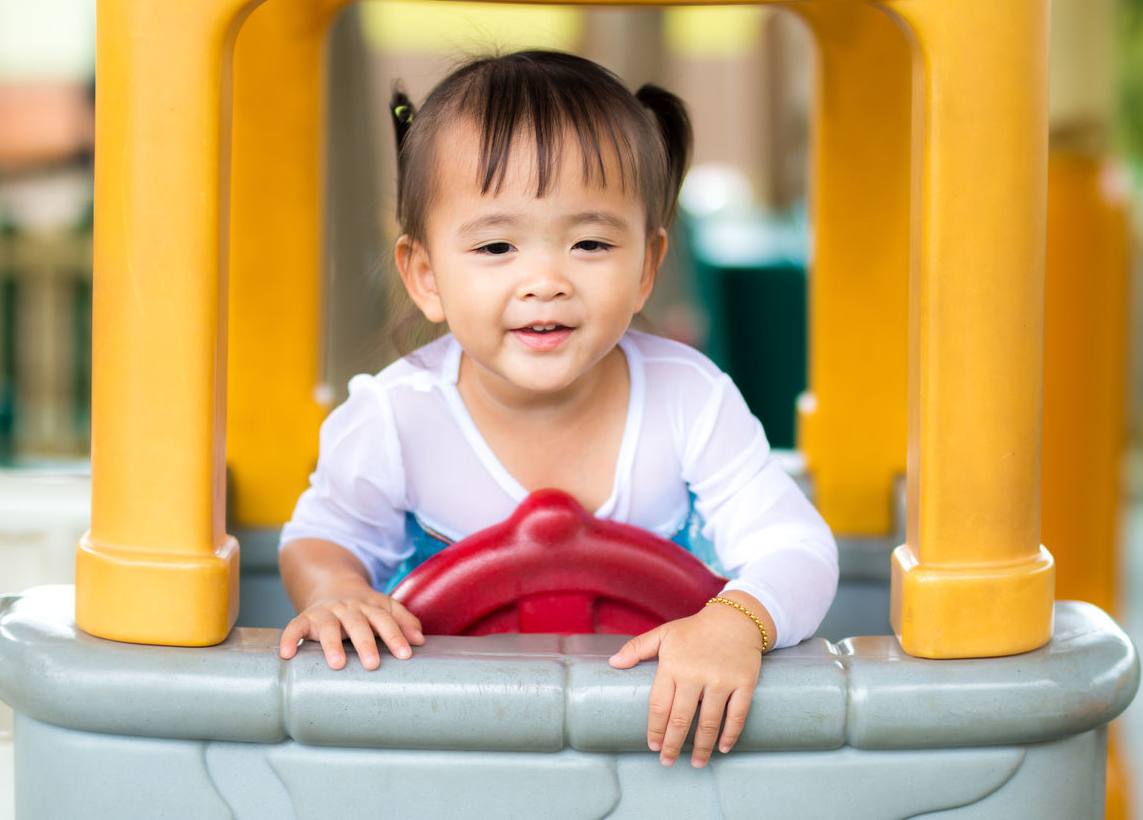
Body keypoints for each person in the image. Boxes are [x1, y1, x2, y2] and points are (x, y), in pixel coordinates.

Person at [277, 50, 838, 769]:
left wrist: (738, 620)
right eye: (497, 245)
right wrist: (337, 591)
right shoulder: (395, 418)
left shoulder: (690, 400)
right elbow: (321, 537)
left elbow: (798, 547)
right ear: (425, 277)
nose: (545, 280)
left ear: (646, 267)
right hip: (446, 752)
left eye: (590, 242)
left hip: (653, 750)